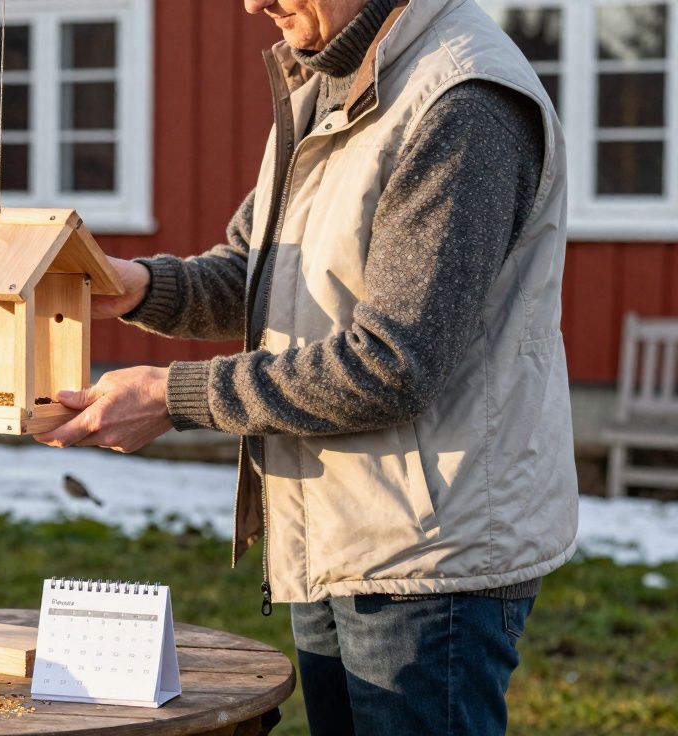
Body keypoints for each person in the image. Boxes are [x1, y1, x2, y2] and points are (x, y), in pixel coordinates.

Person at [34, 0, 578, 732]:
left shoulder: (462, 102)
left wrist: (176, 396)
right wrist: (142, 287)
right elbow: (264, 275)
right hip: (335, 532)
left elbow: (393, 363)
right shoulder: (334, 81)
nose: (253, 4)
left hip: (426, 563)